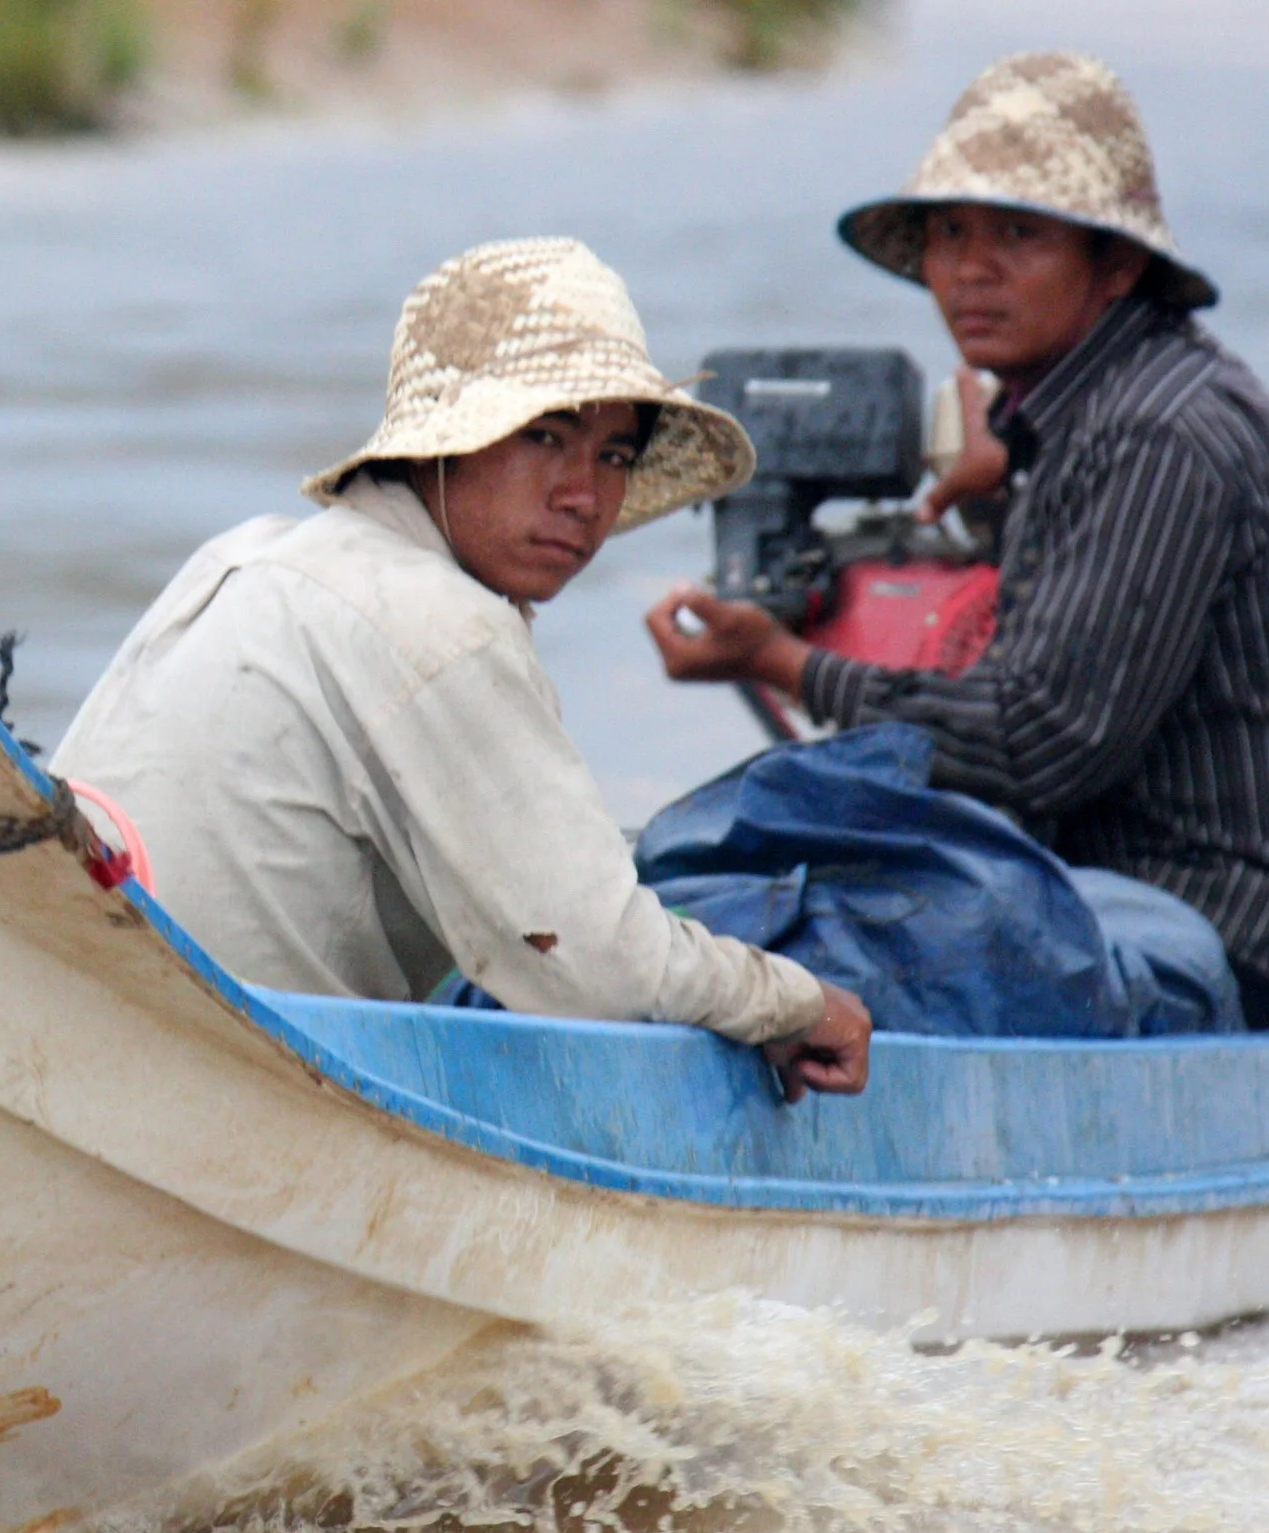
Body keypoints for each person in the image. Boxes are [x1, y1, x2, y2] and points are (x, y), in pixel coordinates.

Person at [645, 51, 1269, 1029]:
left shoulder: (1156, 430)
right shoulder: (1091, 414)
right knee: (739, 896)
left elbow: (1032, 742)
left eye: (1018, 234)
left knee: (775, 957)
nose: (972, 268)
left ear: (1116, 263)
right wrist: (1002, 505)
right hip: (1142, 883)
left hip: (1243, 929)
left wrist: (788, 662)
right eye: (949, 233)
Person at [54, 238, 872, 1100]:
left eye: (613, 456)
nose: (582, 495)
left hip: (97, 1019)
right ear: (440, 447)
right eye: (545, 436)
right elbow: (594, 967)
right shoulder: (443, 625)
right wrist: (794, 1003)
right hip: (227, 1080)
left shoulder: (244, 558)